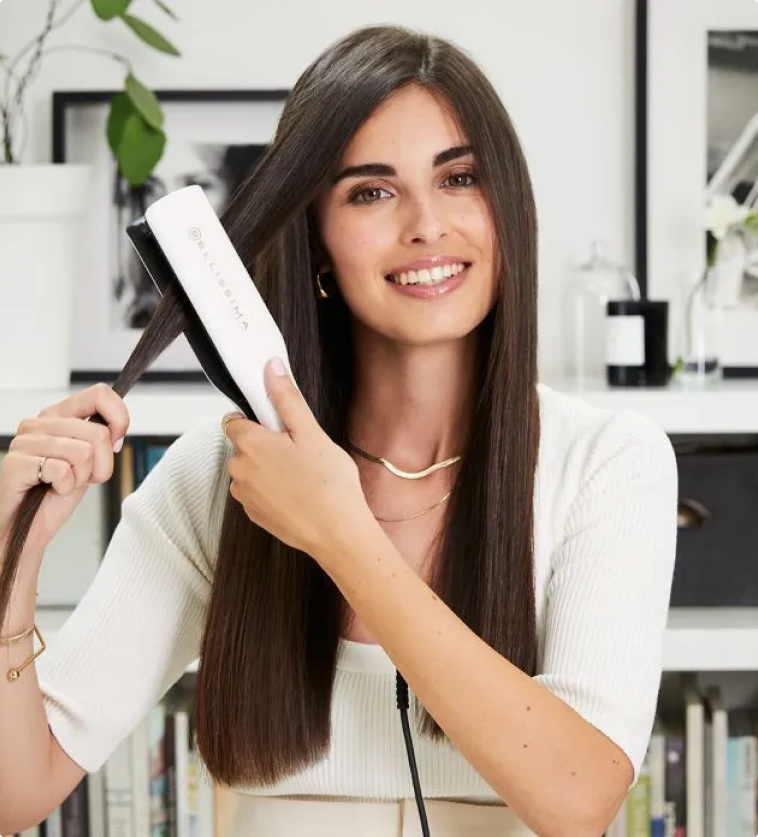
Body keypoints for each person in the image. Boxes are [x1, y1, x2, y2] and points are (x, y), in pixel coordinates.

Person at [0, 24, 678, 837]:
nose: (427, 225)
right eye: (371, 191)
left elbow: (581, 800)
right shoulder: (220, 476)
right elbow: (15, 795)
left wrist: (340, 534)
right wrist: (13, 563)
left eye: (460, 178)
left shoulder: (606, 464)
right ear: (316, 240)